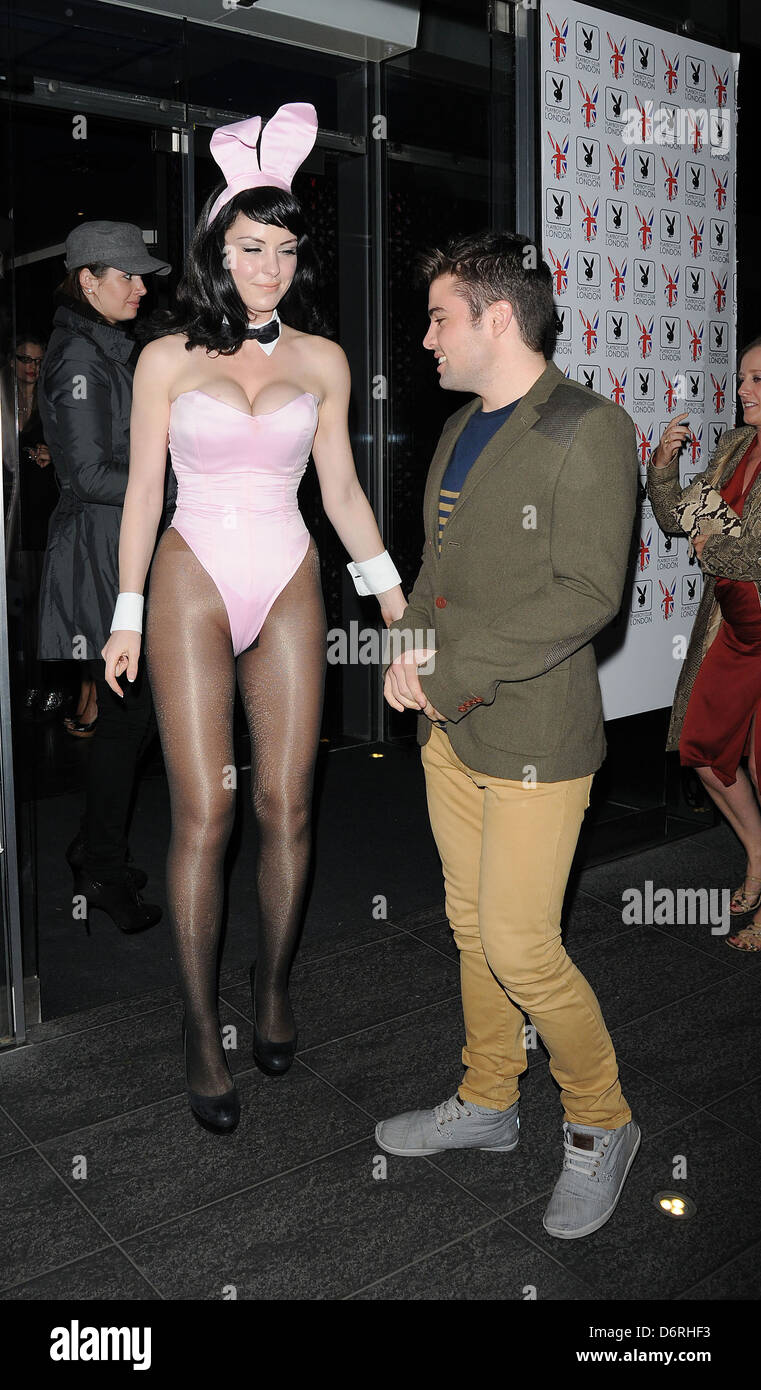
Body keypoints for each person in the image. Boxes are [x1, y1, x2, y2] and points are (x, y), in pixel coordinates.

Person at [102, 104, 406, 1135]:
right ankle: (199, 1028)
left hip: (287, 573)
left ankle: (271, 986)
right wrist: (127, 612)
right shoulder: (164, 360)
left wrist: (394, 601)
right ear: (215, 251)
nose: (267, 267)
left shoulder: (319, 360)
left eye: (282, 249)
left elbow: (345, 496)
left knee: (288, 808)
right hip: (191, 569)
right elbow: (143, 493)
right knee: (208, 815)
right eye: (249, 247)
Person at [376, 231, 640, 1240]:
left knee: (525, 947)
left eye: (439, 316)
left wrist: (447, 667)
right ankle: (487, 1100)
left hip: (534, 737)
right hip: (453, 739)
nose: (427, 338)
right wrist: (405, 647)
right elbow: (434, 563)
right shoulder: (458, 430)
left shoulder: (589, 428)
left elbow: (585, 595)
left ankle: (600, 1120)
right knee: (471, 926)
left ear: (493, 316)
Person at [37, 221, 173, 932]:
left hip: (113, 546)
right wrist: (178, 485)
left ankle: (97, 848)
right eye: (126, 275)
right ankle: (104, 869)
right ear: (88, 280)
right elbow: (88, 473)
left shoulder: (104, 347)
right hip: (97, 554)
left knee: (127, 720)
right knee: (126, 720)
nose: (141, 286)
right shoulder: (77, 359)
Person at [648, 336, 761, 952]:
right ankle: (757, 853)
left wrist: (714, 544)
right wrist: (664, 463)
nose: (742, 390)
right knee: (701, 747)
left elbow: (747, 551)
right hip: (732, 626)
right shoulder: (737, 445)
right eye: (743, 377)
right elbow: (677, 518)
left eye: (757, 380)